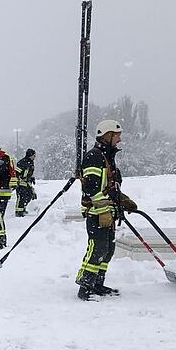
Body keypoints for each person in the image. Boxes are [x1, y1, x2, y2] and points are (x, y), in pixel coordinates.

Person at [75, 120, 136, 301]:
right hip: (97, 214)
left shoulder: (107, 157)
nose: (120, 139)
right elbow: (91, 188)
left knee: (108, 250)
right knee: (97, 248)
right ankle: (85, 287)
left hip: (107, 213)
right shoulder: (95, 156)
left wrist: (123, 200)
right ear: (107, 135)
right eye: (117, 135)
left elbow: (109, 186)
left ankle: (97, 284)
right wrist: (103, 210)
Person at [15, 149, 37, 217]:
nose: (35, 157)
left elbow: (29, 172)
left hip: (27, 183)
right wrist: (21, 178)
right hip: (20, 183)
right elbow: (16, 172)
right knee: (21, 197)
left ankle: (23, 208)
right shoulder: (22, 162)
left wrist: (32, 178)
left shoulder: (31, 162)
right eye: (34, 155)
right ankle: (19, 211)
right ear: (30, 155)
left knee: (30, 195)